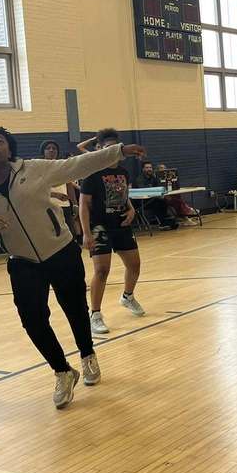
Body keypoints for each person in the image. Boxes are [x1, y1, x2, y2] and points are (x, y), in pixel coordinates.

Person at [0, 126, 146, 410]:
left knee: (74, 309)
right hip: (23, 263)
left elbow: (76, 164)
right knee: (32, 321)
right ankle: (62, 371)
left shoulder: (33, 169)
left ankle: (87, 354)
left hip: (60, 252)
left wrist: (117, 152)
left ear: (10, 149)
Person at [80, 128, 147, 337]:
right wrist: (86, 233)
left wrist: (131, 208)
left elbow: (123, 195)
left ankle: (127, 296)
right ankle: (95, 314)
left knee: (134, 265)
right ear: (100, 150)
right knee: (102, 271)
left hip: (121, 224)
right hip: (99, 226)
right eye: (107, 149)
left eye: (114, 149)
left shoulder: (124, 173)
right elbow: (83, 205)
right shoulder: (92, 174)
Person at [39, 140, 82, 242]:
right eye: (48, 148)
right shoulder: (39, 167)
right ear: (43, 152)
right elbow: (36, 189)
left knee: (70, 234)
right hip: (48, 206)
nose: (51, 150)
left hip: (65, 206)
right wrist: (54, 195)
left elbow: (69, 185)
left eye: (54, 148)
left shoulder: (62, 166)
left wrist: (75, 204)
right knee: (52, 235)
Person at [133, 161, 180, 229]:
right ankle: (164, 223)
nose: (149, 169)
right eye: (147, 167)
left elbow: (160, 187)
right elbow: (144, 191)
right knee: (159, 202)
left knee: (165, 200)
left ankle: (168, 221)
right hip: (142, 202)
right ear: (143, 169)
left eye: (150, 167)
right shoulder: (139, 179)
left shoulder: (153, 178)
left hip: (152, 199)